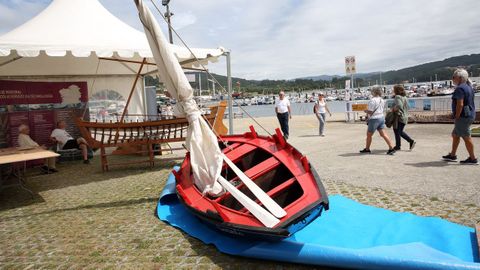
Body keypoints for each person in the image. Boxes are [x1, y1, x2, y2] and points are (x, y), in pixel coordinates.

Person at [442, 68, 477, 164]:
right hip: (469, 114)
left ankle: (473, 158)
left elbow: (460, 104)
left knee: (466, 136)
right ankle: (452, 155)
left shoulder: (460, 88)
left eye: (454, 77)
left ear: (460, 78)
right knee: (455, 135)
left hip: (463, 117)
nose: (452, 79)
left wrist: (456, 116)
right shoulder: (469, 87)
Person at [359, 86, 396, 155]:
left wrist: (365, 111)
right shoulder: (382, 100)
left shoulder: (372, 100)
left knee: (369, 135)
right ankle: (391, 148)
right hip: (381, 117)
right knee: (383, 134)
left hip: (374, 119)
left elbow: (370, 111)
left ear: (373, 92)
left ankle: (367, 149)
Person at [391, 85, 415, 151]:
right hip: (405, 116)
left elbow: (399, 105)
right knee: (397, 131)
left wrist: (393, 109)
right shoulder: (405, 97)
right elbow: (408, 106)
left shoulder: (397, 97)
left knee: (398, 131)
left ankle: (410, 141)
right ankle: (398, 146)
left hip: (399, 117)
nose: (393, 90)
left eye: (394, 89)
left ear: (396, 90)